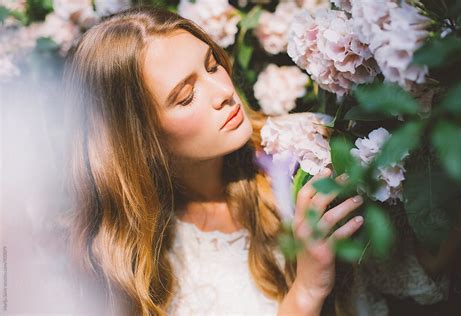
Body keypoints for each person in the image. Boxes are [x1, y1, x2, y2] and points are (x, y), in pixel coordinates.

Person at [63, 6, 366, 316]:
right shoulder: (131, 270)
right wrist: (306, 292)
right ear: (138, 139)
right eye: (185, 96)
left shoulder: (304, 146)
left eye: (212, 65)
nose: (224, 91)